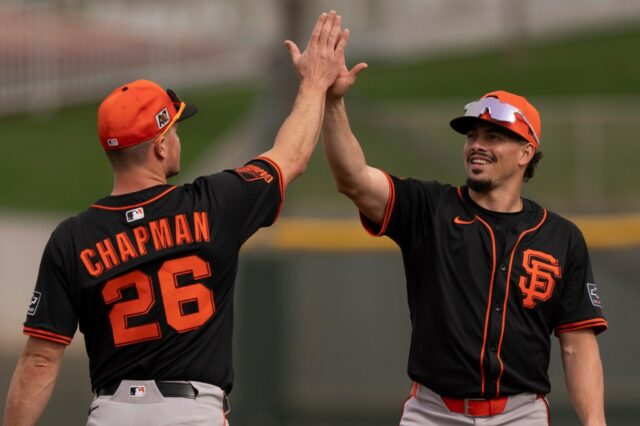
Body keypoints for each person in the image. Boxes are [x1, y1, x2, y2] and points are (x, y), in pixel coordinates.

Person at [4, 10, 347, 426]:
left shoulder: (72, 238)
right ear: (161, 147)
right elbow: (291, 156)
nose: (179, 138)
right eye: (176, 130)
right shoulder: (213, 204)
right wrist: (315, 82)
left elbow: (40, 360)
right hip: (191, 411)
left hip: (112, 412)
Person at [322, 54, 608, 423]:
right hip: (433, 411)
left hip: (520, 414)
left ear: (526, 153)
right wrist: (332, 102)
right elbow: (353, 179)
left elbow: (577, 346)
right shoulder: (429, 209)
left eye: (494, 136)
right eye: (472, 134)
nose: (477, 144)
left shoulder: (561, 237)